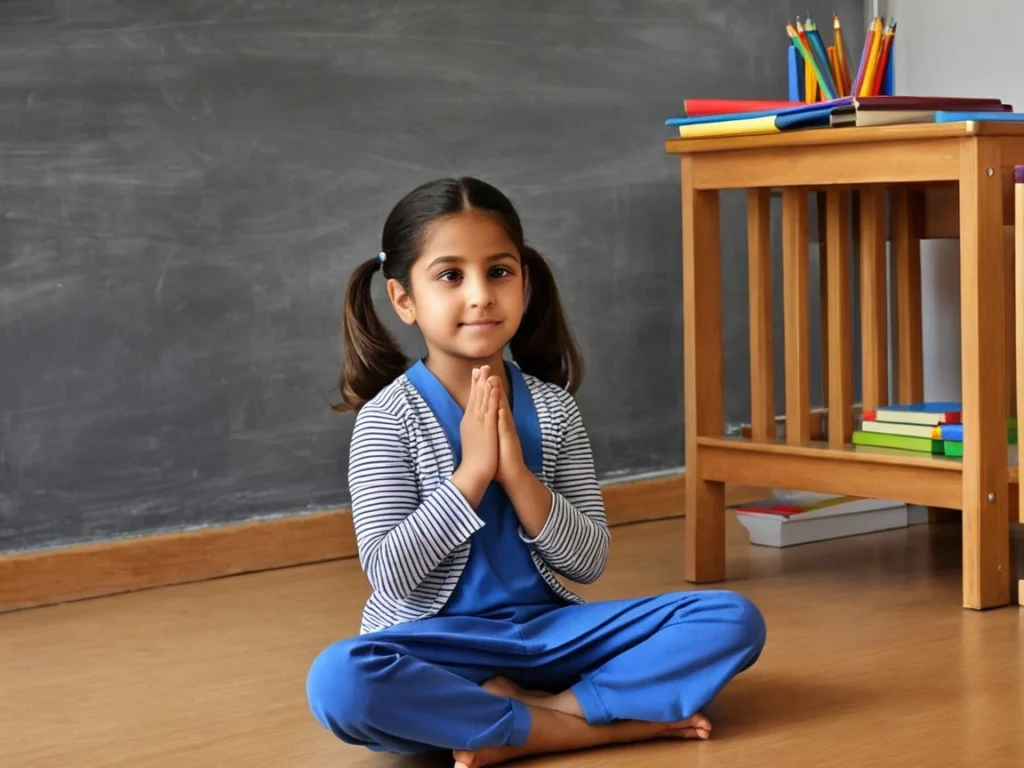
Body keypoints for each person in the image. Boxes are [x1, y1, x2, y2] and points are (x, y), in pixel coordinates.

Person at [305, 177, 766, 768]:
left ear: (524, 279)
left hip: (553, 636)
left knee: (730, 618)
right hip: (442, 647)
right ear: (403, 299)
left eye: (499, 271)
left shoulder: (553, 408)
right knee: (341, 682)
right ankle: (599, 724)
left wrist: (518, 476)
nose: (480, 295)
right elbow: (390, 574)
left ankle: (523, 718)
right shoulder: (385, 420)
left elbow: (588, 561)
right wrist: (471, 475)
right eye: (450, 276)